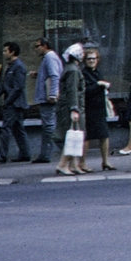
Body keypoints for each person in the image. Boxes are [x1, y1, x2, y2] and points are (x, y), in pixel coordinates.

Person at [55, 43, 88, 176]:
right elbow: (72, 90)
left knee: (74, 135)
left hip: (68, 105)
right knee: (72, 136)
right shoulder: (73, 70)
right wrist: (74, 109)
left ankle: (73, 164)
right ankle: (62, 164)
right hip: (72, 106)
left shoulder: (70, 68)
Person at [0, 42, 29, 162]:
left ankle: (2, 155)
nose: (4, 53)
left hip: (14, 103)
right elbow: (5, 85)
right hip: (14, 102)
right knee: (18, 128)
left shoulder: (18, 66)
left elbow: (17, 87)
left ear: (12, 52)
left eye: (5, 51)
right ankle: (25, 153)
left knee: (6, 128)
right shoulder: (11, 66)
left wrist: (7, 102)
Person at [81, 47, 115, 172]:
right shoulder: (83, 74)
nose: (91, 61)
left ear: (97, 60)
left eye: (93, 58)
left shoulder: (98, 72)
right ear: (85, 60)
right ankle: (82, 163)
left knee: (104, 136)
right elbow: (85, 91)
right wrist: (99, 84)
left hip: (99, 109)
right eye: (89, 59)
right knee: (87, 138)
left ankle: (105, 161)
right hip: (89, 109)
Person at [30, 38, 62, 164]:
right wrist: (39, 75)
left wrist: (53, 94)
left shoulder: (50, 57)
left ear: (45, 46)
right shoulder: (49, 58)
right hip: (47, 98)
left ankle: (50, 153)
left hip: (48, 99)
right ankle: (46, 154)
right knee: (49, 126)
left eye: (37, 46)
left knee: (49, 127)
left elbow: (54, 76)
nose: (36, 49)